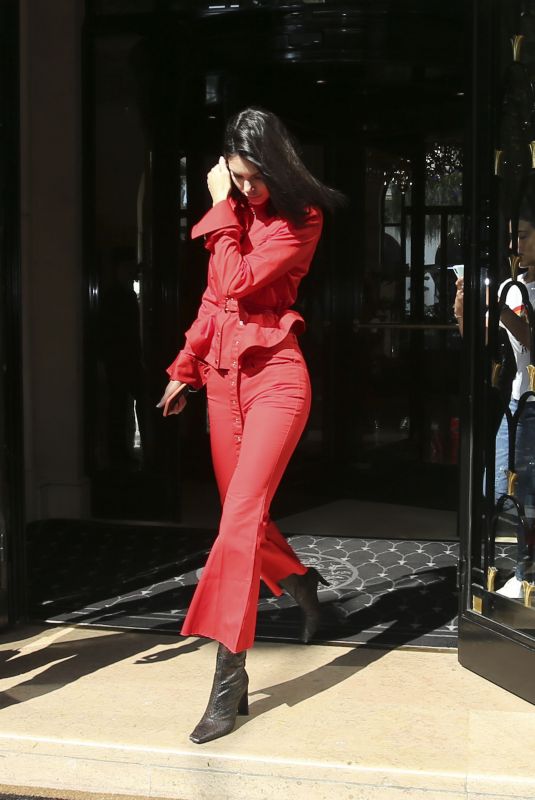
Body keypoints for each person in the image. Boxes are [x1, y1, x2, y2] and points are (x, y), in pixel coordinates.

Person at [158, 108, 343, 744]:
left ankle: (228, 678)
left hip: (276, 381)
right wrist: (186, 367)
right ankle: (298, 580)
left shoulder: (301, 218)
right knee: (246, 518)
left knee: (237, 524)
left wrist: (217, 209)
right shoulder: (235, 216)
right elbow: (214, 300)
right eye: (233, 180)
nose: (242, 190)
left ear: (275, 167)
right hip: (221, 383)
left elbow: (236, 279)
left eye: (250, 179)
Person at [453, 199, 535, 598]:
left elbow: (531, 338)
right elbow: (484, 344)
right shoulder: (508, 286)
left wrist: (500, 308)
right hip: (514, 401)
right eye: (511, 238)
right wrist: (463, 310)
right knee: (498, 486)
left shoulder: (514, 292)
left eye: (522, 236)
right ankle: (525, 572)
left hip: (533, 405)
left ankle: (527, 576)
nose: (514, 245)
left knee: (527, 495)